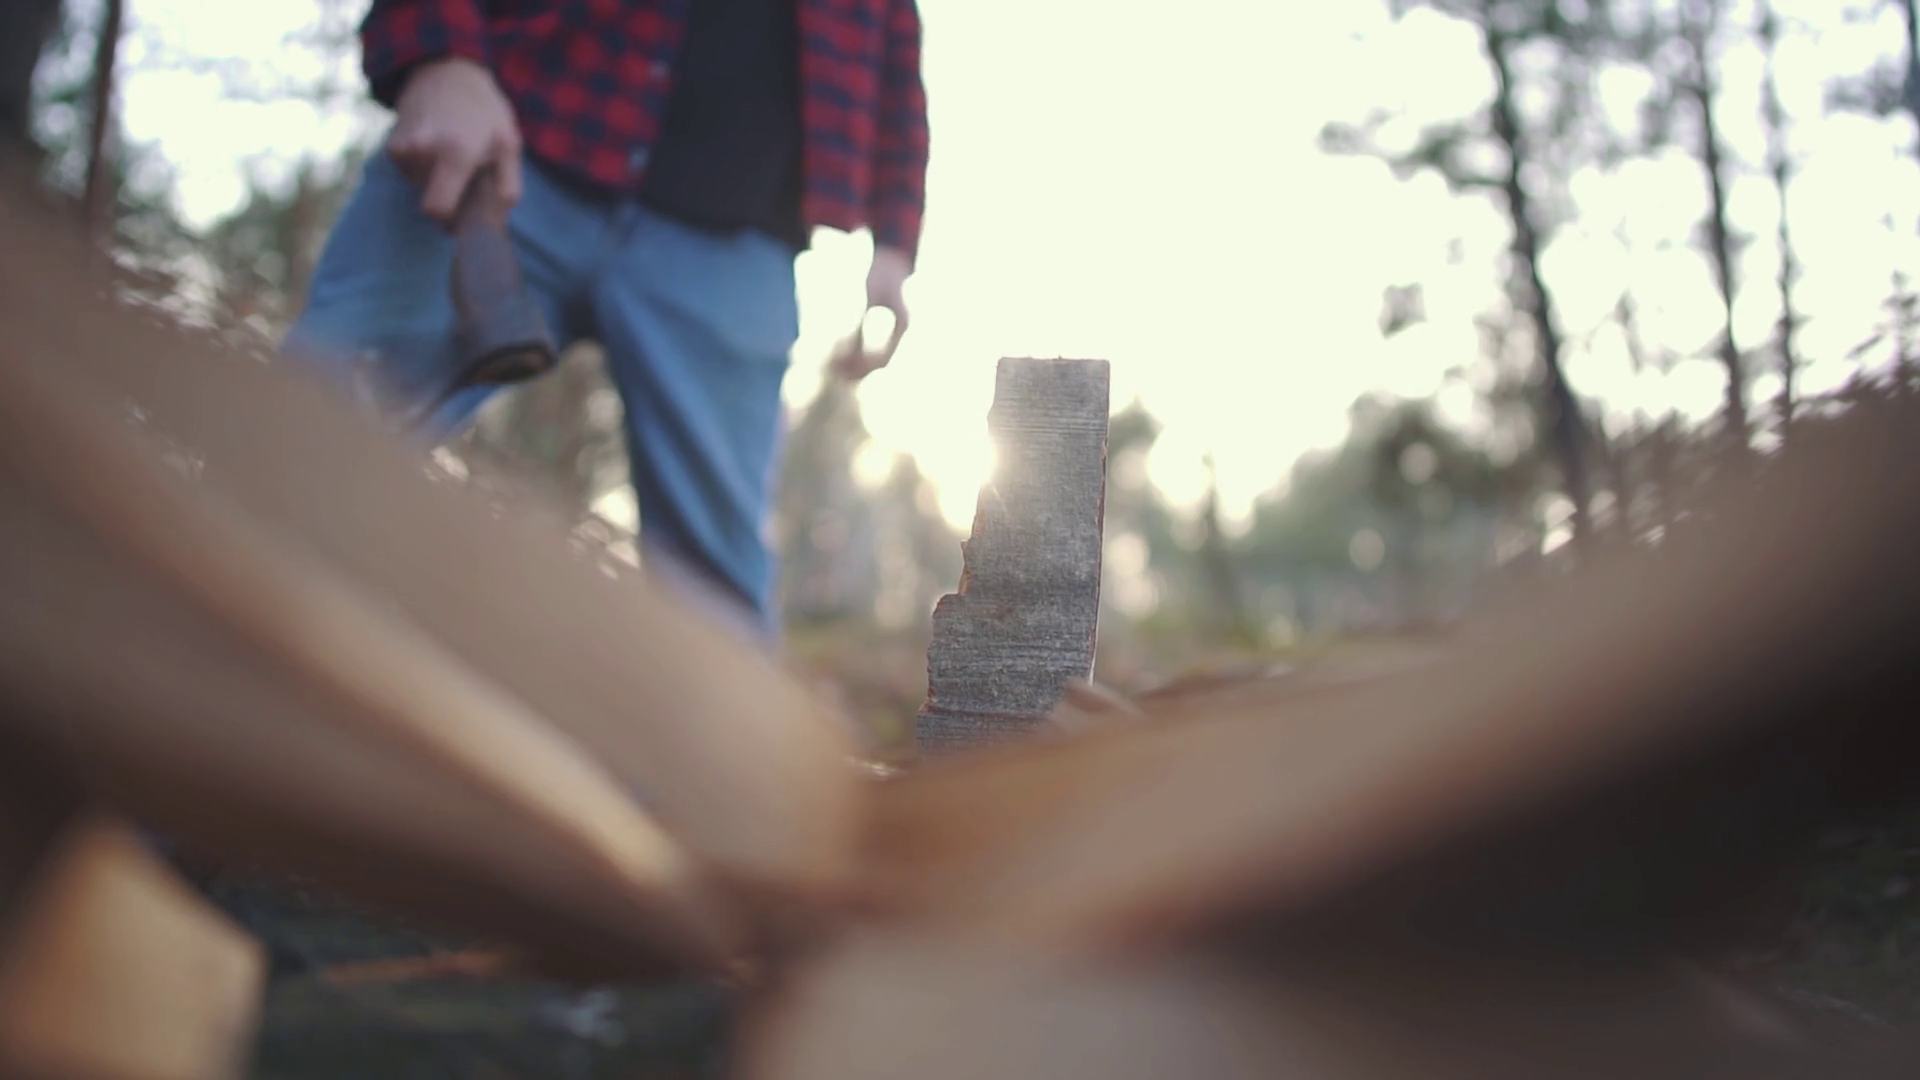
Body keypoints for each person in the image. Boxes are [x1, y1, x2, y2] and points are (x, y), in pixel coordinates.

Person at [285, 0, 929, 643]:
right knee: (299, 444)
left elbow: (898, 55)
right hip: (503, 151)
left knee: (718, 613)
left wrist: (895, 248)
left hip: (740, 245)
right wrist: (439, 55)